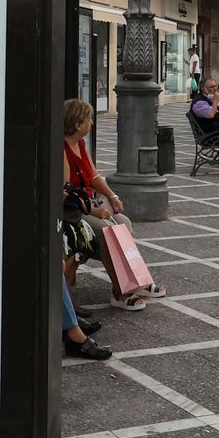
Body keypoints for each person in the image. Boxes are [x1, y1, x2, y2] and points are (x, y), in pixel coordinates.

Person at [65, 99, 166, 311]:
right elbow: (66, 193)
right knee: (106, 231)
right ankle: (120, 291)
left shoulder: (80, 145)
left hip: (90, 203)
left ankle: (136, 280)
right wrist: (95, 211)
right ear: (77, 123)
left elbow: (93, 176)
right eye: (88, 119)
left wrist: (112, 196)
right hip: (75, 209)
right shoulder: (63, 150)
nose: (91, 122)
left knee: (124, 223)